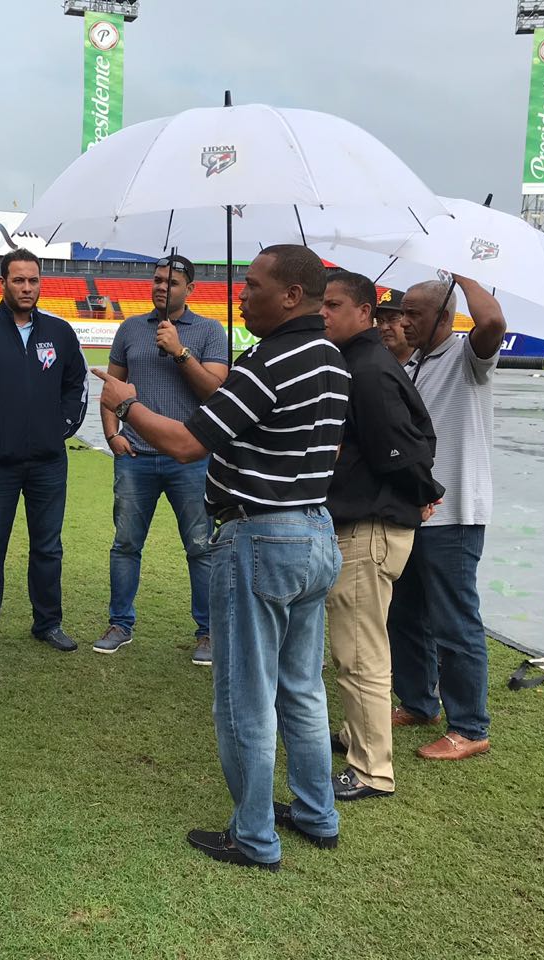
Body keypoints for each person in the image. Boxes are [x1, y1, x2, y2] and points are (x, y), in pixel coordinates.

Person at [95, 244, 350, 871]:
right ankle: (317, 812)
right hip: (315, 531)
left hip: (261, 535)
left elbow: (187, 443)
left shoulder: (273, 360)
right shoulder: (331, 356)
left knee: (245, 697)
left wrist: (126, 404)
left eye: (254, 286)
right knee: (302, 688)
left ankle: (254, 837)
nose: (242, 294)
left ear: (292, 295)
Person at [319, 272, 444, 800]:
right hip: (367, 522)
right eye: (321, 303)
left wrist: (422, 491)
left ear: (365, 311)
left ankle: (371, 770)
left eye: (334, 304)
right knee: (358, 646)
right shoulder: (362, 361)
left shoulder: (367, 368)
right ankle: (359, 737)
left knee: (359, 652)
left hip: (369, 527)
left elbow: (405, 449)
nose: (323, 313)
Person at [388, 276, 506, 760]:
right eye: (402, 312)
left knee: (455, 623)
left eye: (414, 313)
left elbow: (492, 321)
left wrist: (464, 272)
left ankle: (471, 727)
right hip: (412, 511)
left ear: (444, 315)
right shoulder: (410, 364)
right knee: (403, 615)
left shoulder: (467, 356)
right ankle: (419, 702)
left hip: (455, 513)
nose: (404, 321)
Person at [0, 249, 88, 656]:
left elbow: (77, 385)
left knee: (48, 546)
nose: (27, 288)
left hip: (49, 463)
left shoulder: (60, 331)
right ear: (3, 282)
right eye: (19, 280)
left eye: (33, 280)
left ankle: (48, 623)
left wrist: (59, 430)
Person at [97, 254, 229, 664]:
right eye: (157, 280)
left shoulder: (210, 330)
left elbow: (216, 393)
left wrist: (179, 351)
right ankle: (120, 624)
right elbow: (111, 387)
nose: (160, 287)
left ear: (190, 289)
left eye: (170, 282)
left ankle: (208, 632)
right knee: (125, 544)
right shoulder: (131, 328)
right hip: (135, 457)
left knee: (200, 547)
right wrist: (112, 435)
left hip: (191, 459)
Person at [375, 289, 414, 365]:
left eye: (393, 319)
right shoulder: (372, 361)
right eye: (380, 321)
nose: (384, 327)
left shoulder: (428, 361)